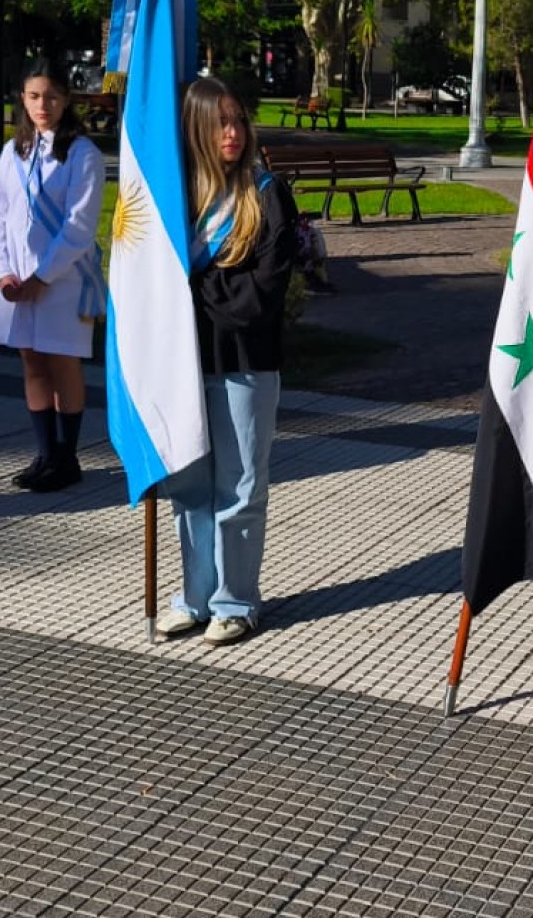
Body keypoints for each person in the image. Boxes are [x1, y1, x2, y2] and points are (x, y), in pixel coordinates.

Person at [155, 78, 299, 648]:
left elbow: (261, 295)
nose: (233, 133)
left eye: (238, 120)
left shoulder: (266, 193)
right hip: (183, 361)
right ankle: (195, 596)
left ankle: (235, 601)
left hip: (245, 362)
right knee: (189, 484)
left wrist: (192, 289)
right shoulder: (174, 200)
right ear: (196, 129)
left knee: (240, 487)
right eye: (219, 123)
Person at [0, 61, 105, 492]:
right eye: (34, 96)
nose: (42, 105)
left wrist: (42, 276)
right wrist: (3, 273)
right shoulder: (15, 150)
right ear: (22, 98)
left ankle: (67, 457)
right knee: (31, 359)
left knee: (61, 361)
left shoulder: (82, 154)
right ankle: (45, 452)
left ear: (66, 100)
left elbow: (79, 225)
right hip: (16, 280)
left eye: (51, 97)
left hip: (62, 278)